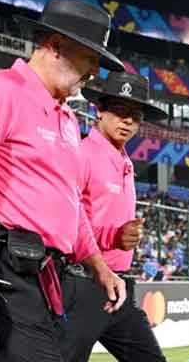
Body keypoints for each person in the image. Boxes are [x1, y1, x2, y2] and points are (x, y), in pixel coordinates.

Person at [0, 0, 127, 361]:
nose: (95, 71)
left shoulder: (68, 120)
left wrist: (100, 266)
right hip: (6, 268)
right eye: (90, 58)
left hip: (45, 276)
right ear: (56, 46)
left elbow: (71, 205)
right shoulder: (1, 92)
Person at [62, 72, 167, 362]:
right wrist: (114, 236)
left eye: (135, 115)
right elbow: (66, 221)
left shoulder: (124, 162)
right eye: (120, 111)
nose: (127, 121)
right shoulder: (81, 154)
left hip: (119, 287)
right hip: (83, 284)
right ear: (100, 110)